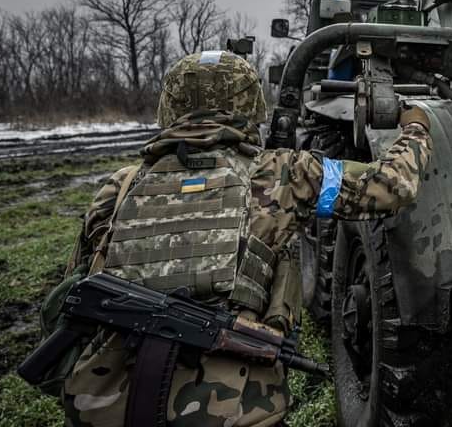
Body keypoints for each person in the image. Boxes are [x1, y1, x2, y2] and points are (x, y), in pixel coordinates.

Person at [50, 50, 432, 427]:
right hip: (235, 412)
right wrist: (415, 126)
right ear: (250, 106)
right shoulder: (283, 175)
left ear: (169, 106)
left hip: (102, 408)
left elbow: (67, 301)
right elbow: (392, 185)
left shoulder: (119, 186)